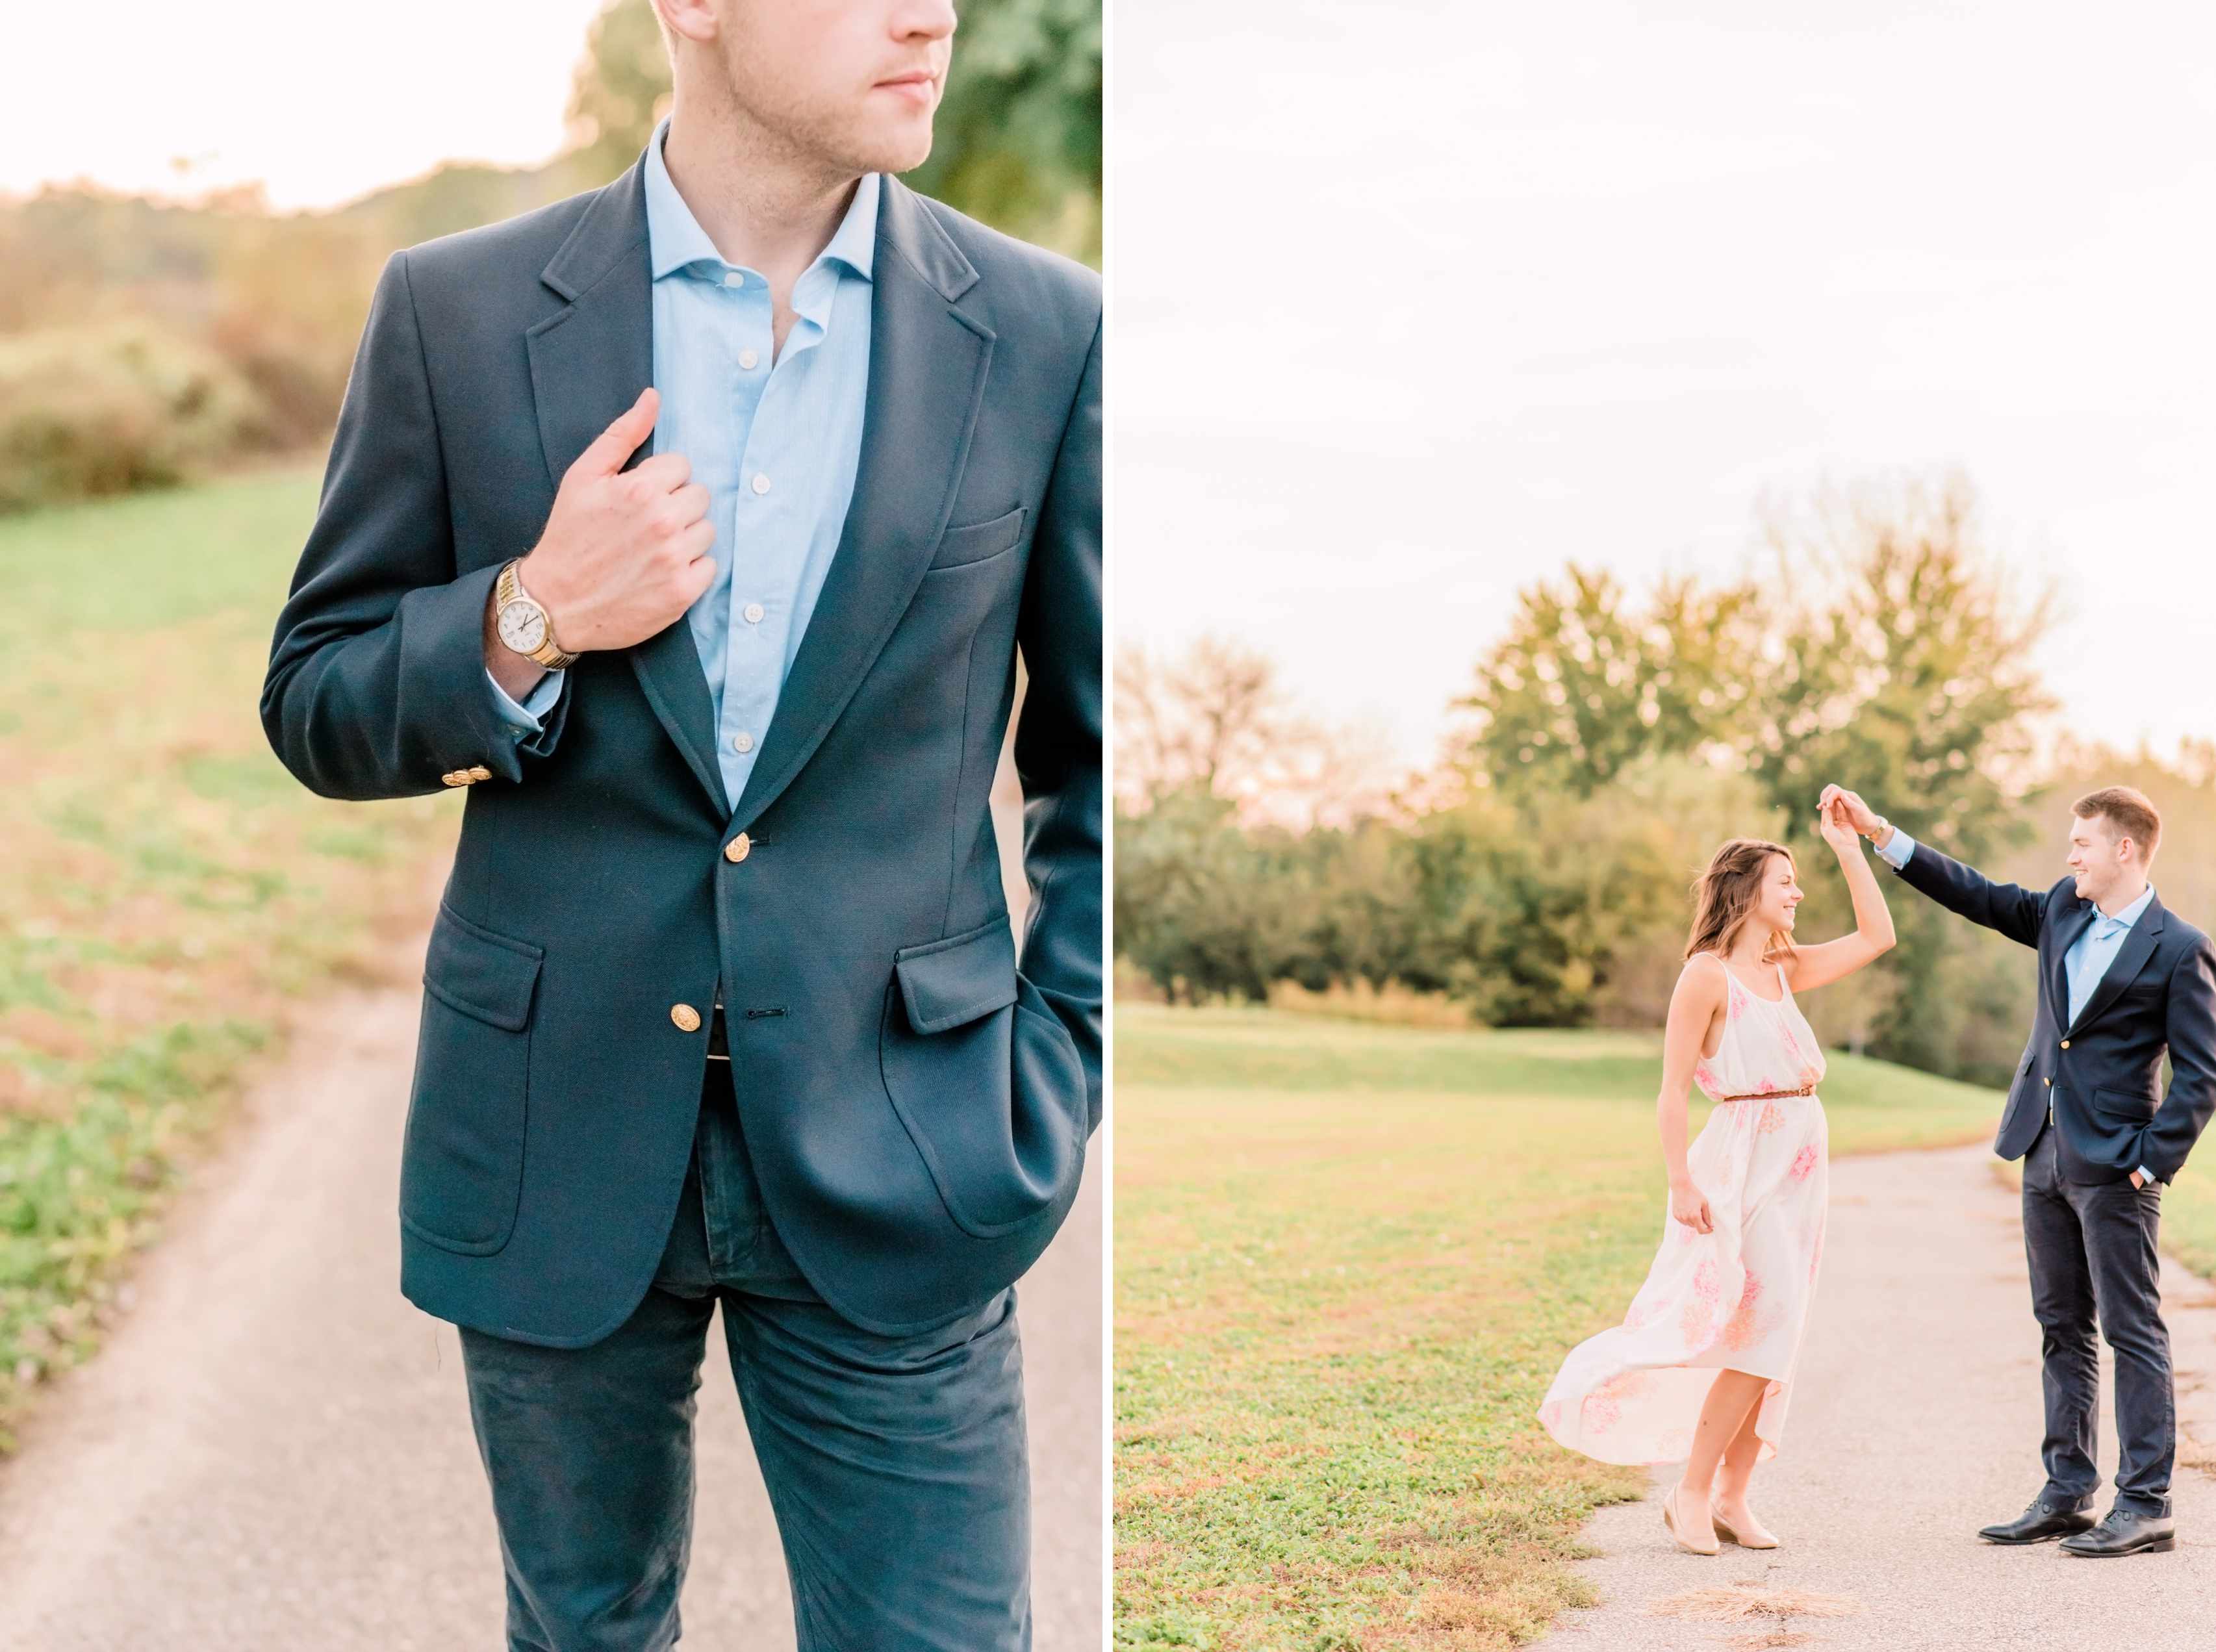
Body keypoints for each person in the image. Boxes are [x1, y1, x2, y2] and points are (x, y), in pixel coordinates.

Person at [257, 0, 1101, 1644]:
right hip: (553, 1121)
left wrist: (1055, 1064)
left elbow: (1096, 757)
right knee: (586, 1630)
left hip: (912, 1144)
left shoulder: (1048, 329)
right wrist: (531, 612)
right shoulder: (458, 307)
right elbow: (317, 700)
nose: (930, 15)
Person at [1820, 783, 2216, 1559]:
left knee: (2130, 1328)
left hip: (2116, 1167)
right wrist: (1879, 832)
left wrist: (2149, 1160)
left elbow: (2203, 1074)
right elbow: (1975, 892)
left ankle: (2147, 1501)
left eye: (2082, 843)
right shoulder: (2064, 910)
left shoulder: (2179, 944)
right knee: (2059, 1325)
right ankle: (2069, 1490)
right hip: (2042, 1152)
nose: (2070, 854)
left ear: (2125, 849)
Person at [1537, 798, 1894, 1555]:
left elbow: (1878, 936)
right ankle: (1692, 1490)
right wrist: (1679, 1182)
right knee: (1756, 1328)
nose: (1797, 894)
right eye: (1785, 881)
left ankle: (1735, 1494)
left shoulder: (1783, 966)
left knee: (1780, 1328)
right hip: (1740, 1161)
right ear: (1745, 891)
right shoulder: (1705, 976)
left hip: (1801, 1159)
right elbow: (1671, 1089)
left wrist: (1847, 844)